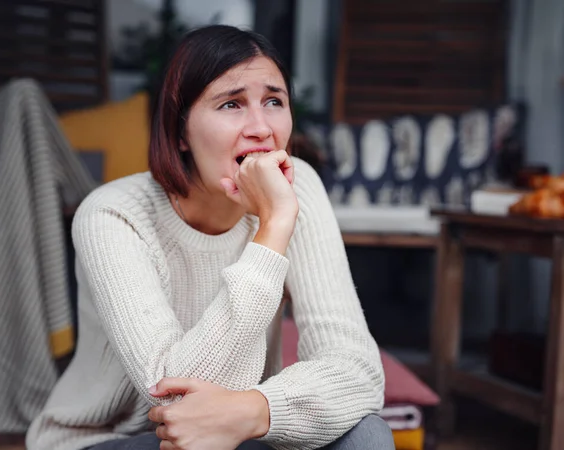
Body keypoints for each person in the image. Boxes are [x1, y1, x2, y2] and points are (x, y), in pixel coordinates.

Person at [26, 25, 393, 450]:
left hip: (236, 428)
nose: (261, 127)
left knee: (366, 433)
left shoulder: (300, 187)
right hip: (119, 438)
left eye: (274, 101)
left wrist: (258, 410)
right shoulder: (113, 215)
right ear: (180, 131)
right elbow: (178, 400)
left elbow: (358, 370)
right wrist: (272, 229)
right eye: (231, 104)